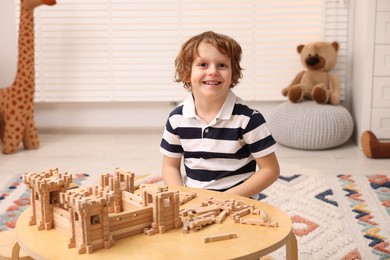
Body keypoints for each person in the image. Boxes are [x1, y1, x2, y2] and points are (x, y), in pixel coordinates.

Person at [160, 31, 279, 199]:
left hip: (238, 202)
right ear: (187, 73)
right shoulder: (176, 119)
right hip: (195, 202)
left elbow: (270, 170)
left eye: (222, 65)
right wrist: (181, 196)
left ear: (233, 74)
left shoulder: (249, 119)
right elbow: (170, 167)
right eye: (203, 64)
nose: (213, 71)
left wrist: (224, 199)